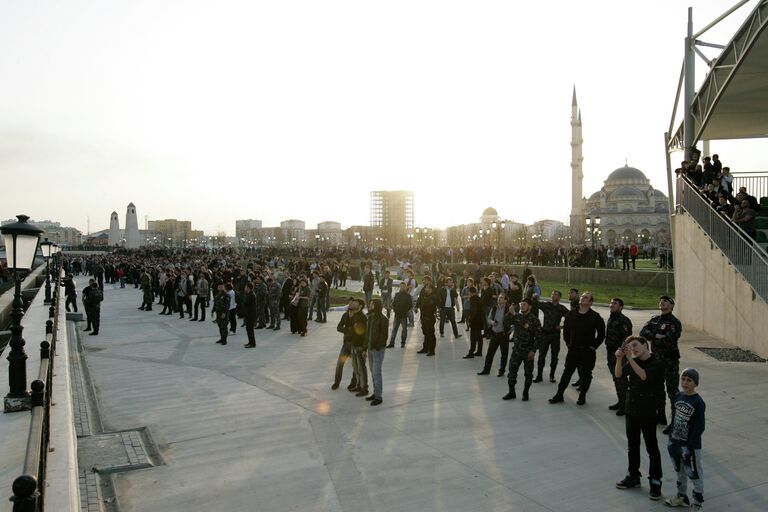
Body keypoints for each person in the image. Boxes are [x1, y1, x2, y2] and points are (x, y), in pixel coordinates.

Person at [614, 336, 665, 500]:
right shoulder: (632, 361)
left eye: (635, 345)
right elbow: (618, 374)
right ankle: (633, 476)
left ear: (645, 345)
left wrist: (629, 358)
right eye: (629, 346)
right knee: (633, 446)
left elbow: (643, 376)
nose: (633, 349)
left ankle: (655, 481)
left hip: (648, 411)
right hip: (632, 410)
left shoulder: (656, 363)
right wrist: (620, 358)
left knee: (652, 448)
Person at [550, 291, 606, 406]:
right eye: (582, 297)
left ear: (590, 302)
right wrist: (569, 344)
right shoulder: (571, 315)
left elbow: (601, 334)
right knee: (567, 373)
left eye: (586, 297)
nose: (583, 298)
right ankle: (559, 394)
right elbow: (566, 331)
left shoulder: (595, 317)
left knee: (586, 374)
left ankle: (582, 396)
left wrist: (594, 346)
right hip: (573, 350)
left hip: (587, 351)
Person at [665, 368, 706, 510]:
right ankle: (681, 496)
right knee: (680, 472)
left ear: (696, 383)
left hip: (689, 446)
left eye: (689, 380)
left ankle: (697, 501)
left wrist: (690, 446)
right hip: (675, 442)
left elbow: (700, 427)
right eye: (683, 379)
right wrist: (671, 436)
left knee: (694, 473)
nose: (685, 382)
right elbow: (675, 417)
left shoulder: (698, 402)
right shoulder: (678, 396)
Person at [639, 295, 682, 426]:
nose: (662, 302)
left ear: (672, 306)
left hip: (670, 361)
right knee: (657, 390)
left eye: (666, 301)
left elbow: (670, 340)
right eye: (661, 301)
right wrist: (656, 335)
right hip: (656, 361)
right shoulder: (655, 320)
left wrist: (653, 337)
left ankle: (675, 422)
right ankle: (661, 416)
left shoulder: (674, 322)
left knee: (672, 392)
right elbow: (642, 333)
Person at [502, 298, 541, 401]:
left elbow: (539, 337)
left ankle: (525, 393)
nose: (522, 306)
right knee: (512, 372)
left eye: (524, 304)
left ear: (530, 307)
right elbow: (506, 323)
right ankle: (511, 392)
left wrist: (533, 350)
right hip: (517, 350)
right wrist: (509, 313)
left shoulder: (534, 320)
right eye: (521, 304)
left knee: (528, 374)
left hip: (528, 351)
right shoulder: (516, 316)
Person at [605, 298, 633, 415]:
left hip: (619, 355)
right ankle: (620, 401)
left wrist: (620, 352)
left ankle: (625, 406)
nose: (611, 305)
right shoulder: (611, 318)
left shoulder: (624, 320)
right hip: (610, 352)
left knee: (621, 380)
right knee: (616, 378)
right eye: (611, 303)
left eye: (615, 303)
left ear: (621, 307)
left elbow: (626, 339)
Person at [535, 290, 569, 383]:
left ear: (559, 297)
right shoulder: (546, 305)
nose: (554, 295)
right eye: (552, 294)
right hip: (545, 334)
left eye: (556, 294)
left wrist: (562, 326)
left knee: (554, 356)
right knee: (541, 356)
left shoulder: (562, 308)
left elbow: (571, 318)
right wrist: (533, 297)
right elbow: (535, 304)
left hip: (555, 335)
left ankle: (552, 375)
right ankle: (539, 376)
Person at [478, 293, 513, 376]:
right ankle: (486, 370)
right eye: (499, 297)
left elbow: (515, 321)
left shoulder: (508, 309)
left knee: (504, 354)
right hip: (494, 334)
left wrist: (511, 330)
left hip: (503, 335)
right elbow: (488, 318)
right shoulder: (494, 308)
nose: (499, 299)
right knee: (490, 353)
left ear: (505, 300)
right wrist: (492, 322)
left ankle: (502, 371)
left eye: (501, 298)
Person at [365, 299, 388, 406]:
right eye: (370, 303)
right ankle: (375, 392)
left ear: (377, 306)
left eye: (372, 304)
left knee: (376, 372)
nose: (370, 305)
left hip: (378, 350)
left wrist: (377, 346)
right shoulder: (370, 317)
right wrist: (366, 348)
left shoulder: (383, 319)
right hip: (370, 349)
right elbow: (367, 333)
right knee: (373, 372)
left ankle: (378, 397)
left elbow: (384, 336)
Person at [349, 298, 369, 397]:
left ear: (360, 306)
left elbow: (366, 334)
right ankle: (358, 385)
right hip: (353, 345)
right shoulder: (355, 315)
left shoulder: (362, 317)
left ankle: (364, 388)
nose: (353, 303)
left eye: (356, 303)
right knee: (356, 368)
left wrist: (365, 348)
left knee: (361, 368)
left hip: (360, 346)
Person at [415, 283, 438, 356]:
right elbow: (419, 301)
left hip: (430, 318)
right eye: (425, 288)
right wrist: (416, 307)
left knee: (431, 334)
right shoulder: (423, 295)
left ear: (431, 289)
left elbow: (430, 304)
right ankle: (425, 348)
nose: (426, 289)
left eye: (427, 288)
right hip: (423, 317)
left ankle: (432, 350)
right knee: (425, 333)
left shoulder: (433, 297)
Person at [388, 282, 412, 348]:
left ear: (406, 287)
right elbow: (393, 303)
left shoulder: (408, 296)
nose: (402, 287)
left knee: (404, 330)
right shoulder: (397, 295)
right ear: (399, 287)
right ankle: (391, 343)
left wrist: (405, 310)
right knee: (394, 329)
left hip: (404, 316)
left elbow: (410, 305)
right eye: (401, 286)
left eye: (404, 286)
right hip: (397, 315)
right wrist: (395, 310)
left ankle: (403, 343)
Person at [463, 286, 484, 358]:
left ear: (471, 292)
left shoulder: (473, 299)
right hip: (480, 320)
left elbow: (473, 311)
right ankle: (479, 351)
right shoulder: (479, 298)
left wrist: (470, 319)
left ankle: (471, 352)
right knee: (479, 337)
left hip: (475, 321)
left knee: (473, 337)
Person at [242, 282, 257, 348]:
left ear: (248, 288)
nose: (245, 288)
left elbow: (245, 302)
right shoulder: (248, 294)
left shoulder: (251, 295)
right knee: (248, 329)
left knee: (250, 329)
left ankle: (252, 343)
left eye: (246, 287)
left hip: (250, 315)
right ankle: (250, 342)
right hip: (248, 314)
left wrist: (243, 297)